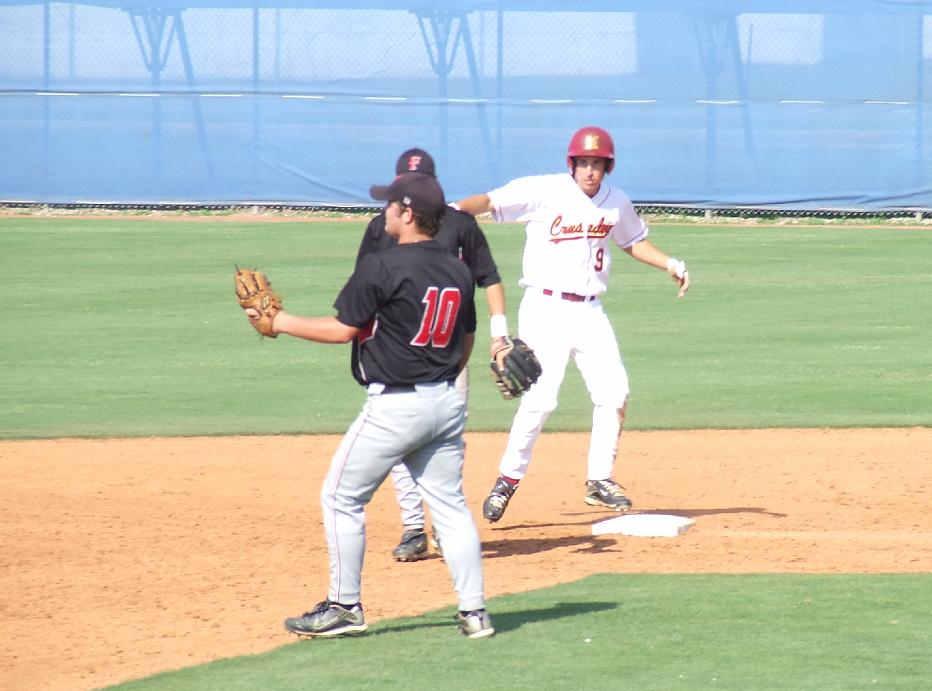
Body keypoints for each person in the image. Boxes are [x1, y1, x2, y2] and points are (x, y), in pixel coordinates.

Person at [248, 172, 494, 639]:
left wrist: (279, 321)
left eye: (389, 207)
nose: (383, 213)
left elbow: (343, 330)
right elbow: (466, 338)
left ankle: (344, 606)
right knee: (450, 506)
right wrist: (442, 376)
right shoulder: (458, 270)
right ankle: (475, 612)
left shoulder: (382, 266)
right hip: (446, 401)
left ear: (406, 214)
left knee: (341, 497)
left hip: (396, 408)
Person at [456, 126, 690, 523]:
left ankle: (599, 480)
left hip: (590, 311)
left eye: (597, 164)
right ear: (572, 164)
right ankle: (508, 480)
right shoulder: (543, 190)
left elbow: (632, 241)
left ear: (607, 167)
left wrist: (669, 262)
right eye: (583, 162)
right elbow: (490, 201)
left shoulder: (616, 203)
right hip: (544, 308)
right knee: (540, 399)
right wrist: (448, 214)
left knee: (615, 394)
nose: (589, 171)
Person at [356, 148, 507, 563]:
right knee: (402, 448)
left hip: (452, 351)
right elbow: (364, 288)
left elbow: (489, 277)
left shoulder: (461, 225)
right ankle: (414, 528)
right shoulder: (378, 227)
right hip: (398, 353)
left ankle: (443, 527)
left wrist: (501, 335)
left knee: (446, 445)